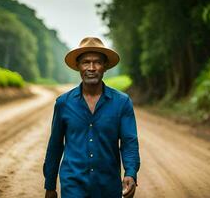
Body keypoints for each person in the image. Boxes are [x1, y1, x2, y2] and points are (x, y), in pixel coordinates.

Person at [43, 37, 141, 198]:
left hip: (108, 186)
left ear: (105, 66)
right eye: (86, 62)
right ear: (78, 67)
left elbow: (129, 142)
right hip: (72, 185)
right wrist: (50, 186)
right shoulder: (63, 103)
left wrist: (130, 173)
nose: (92, 67)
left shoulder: (122, 102)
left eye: (97, 62)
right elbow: (55, 146)